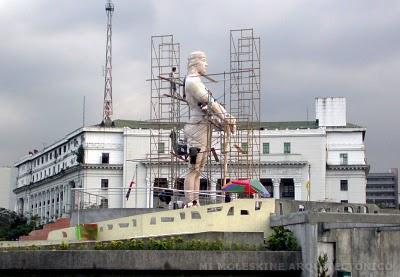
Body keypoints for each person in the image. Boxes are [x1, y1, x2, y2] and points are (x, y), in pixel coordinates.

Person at [183, 51, 236, 207]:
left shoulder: (197, 81)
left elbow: (209, 105)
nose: (206, 64)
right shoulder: (192, 82)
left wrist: (222, 119)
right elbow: (209, 101)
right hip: (196, 128)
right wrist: (226, 116)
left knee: (199, 169)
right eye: (204, 61)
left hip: (204, 127)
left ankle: (195, 200)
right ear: (195, 63)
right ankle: (189, 202)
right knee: (193, 168)